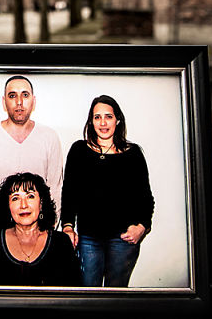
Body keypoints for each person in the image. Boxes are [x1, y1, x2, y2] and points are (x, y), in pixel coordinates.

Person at [61, 95, 154, 287]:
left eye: (108, 116)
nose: (103, 122)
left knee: (116, 297)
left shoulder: (133, 154)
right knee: (87, 294)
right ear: (91, 121)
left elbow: (145, 198)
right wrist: (68, 226)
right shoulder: (79, 150)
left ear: (117, 120)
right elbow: (69, 193)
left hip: (123, 240)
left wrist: (142, 226)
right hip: (88, 239)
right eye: (97, 117)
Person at [0, 75, 63, 237]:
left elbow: (55, 189)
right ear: (4, 102)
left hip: (39, 235)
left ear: (33, 101)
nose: (19, 102)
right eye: (12, 96)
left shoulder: (50, 137)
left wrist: (46, 230)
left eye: (25, 95)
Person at [0, 172, 80, 286]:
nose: (23, 205)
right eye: (15, 198)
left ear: (41, 203)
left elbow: (74, 297)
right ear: (8, 206)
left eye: (30, 196)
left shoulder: (61, 243)